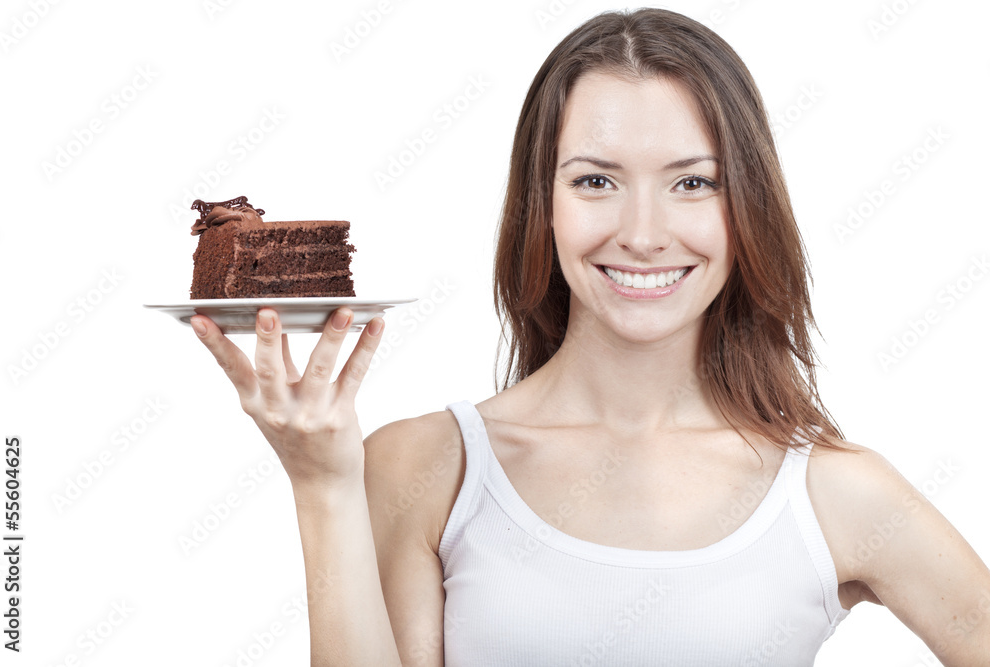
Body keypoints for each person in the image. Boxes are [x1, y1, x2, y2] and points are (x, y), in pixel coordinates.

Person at [189, 7, 990, 666]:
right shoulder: (427, 468)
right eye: (596, 180)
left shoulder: (832, 492)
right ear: (542, 203)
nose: (642, 233)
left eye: (693, 182)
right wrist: (322, 482)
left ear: (747, 206)